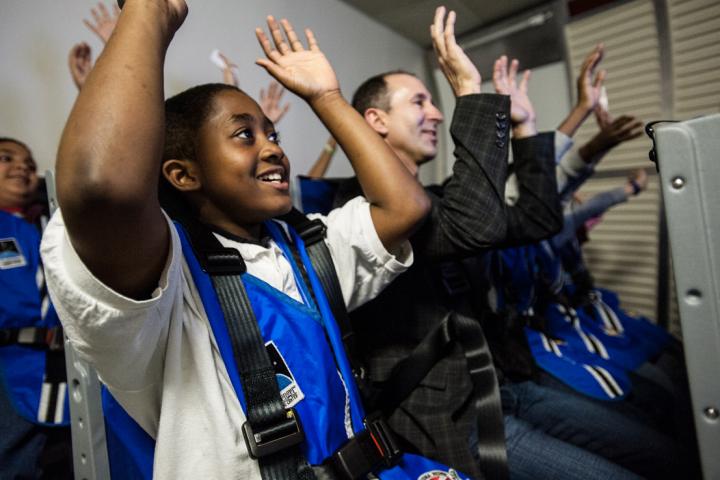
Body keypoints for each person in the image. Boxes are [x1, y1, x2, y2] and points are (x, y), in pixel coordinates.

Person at [39, 0, 480, 478]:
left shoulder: (308, 247)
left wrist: (327, 98)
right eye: (244, 136)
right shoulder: (166, 285)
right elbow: (104, 189)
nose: (273, 148)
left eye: (273, 135)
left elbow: (405, 206)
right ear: (183, 174)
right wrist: (149, 13)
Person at [0, 137, 72, 479]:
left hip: (68, 365)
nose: (22, 166)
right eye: (5, 157)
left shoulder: (55, 224)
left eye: (29, 162)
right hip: (10, 367)